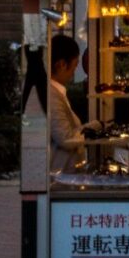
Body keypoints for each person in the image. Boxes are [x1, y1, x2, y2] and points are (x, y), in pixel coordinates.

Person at [48, 34, 86, 173]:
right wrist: (92, 132)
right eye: (74, 66)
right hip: (59, 177)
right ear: (62, 65)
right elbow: (65, 138)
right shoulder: (51, 96)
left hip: (63, 175)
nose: (73, 73)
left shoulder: (56, 93)